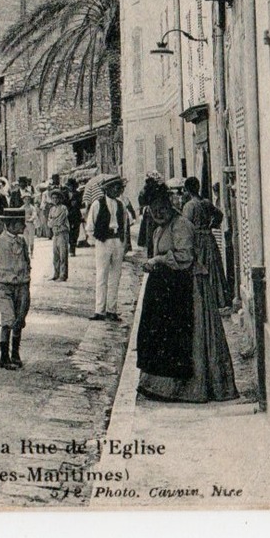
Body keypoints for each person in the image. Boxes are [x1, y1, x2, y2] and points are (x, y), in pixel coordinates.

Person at [137, 183, 238, 403]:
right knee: (165, 338)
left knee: (189, 337)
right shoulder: (158, 230)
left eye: (161, 207)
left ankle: (191, 389)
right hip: (169, 289)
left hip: (189, 287)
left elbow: (185, 256)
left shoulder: (181, 225)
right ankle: (163, 387)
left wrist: (158, 260)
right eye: (153, 210)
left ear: (169, 204)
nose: (158, 213)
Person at [0, 205, 31, 370]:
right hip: (5, 288)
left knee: (19, 320)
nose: (23, 226)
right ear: (10, 224)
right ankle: (4, 357)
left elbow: (27, 261)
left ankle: (15, 354)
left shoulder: (23, 241)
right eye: (20, 223)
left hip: (22, 287)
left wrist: (26, 279)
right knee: (7, 320)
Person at [181, 177, 230, 310]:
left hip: (197, 240)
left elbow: (185, 226)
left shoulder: (189, 206)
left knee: (200, 267)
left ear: (187, 190)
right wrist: (212, 224)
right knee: (213, 267)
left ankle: (204, 301)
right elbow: (219, 215)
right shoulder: (206, 202)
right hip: (209, 237)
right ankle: (218, 299)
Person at [86, 173, 127, 321]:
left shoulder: (121, 205)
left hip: (117, 241)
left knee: (116, 276)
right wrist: (95, 240)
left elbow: (126, 224)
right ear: (107, 189)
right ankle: (100, 310)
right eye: (115, 187)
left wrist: (124, 242)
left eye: (119, 188)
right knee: (102, 275)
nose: (118, 190)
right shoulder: (97, 204)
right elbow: (90, 225)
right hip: (103, 241)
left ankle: (112, 310)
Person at [47, 187, 70, 281]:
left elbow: (61, 219)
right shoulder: (51, 209)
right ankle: (56, 273)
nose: (55, 200)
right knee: (55, 254)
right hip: (55, 233)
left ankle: (63, 274)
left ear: (60, 198)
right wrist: (52, 224)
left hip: (62, 232)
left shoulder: (63, 208)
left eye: (56, 198)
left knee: (63, 254)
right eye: (53, 198)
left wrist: (54, 223)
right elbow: (49, 221)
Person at [66, 177, 83, 254]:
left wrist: (76, 203)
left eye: (72, 186)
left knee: (76, 231)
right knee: (69, 231)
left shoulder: (78, 194)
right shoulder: (65, 194)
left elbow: (81, 204)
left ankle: (73, 247)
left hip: (76, 214)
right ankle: (71, 245)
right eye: (69, 186)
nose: (71, 187)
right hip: (68, 215)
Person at [22, 188, 36, 258]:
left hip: (30, 224)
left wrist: (31, 219)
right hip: (24, 224)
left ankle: (32, 252)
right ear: (23, 200)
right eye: (25, 199)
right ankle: (26, 252)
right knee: (25, 239)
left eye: (28, 199)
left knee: (31, 239)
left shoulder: (32, 207)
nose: (27, 201)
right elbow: (19, 215)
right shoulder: (22, 208)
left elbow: (34, 214)